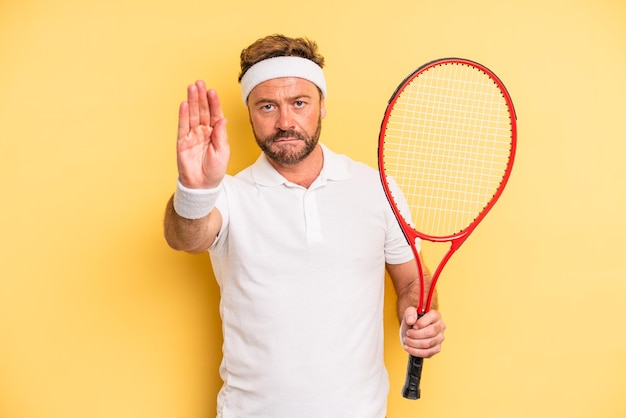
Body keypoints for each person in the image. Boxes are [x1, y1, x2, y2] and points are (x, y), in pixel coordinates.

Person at [163, 34, 446, 418]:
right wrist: (195, 190)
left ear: (322, 106)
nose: (285, 122)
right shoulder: (228, 194)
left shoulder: (377, 189)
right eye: (267, 106)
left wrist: (418, 321)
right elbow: (187, 237)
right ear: (249, 113)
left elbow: (412, 282)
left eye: (299, 103)